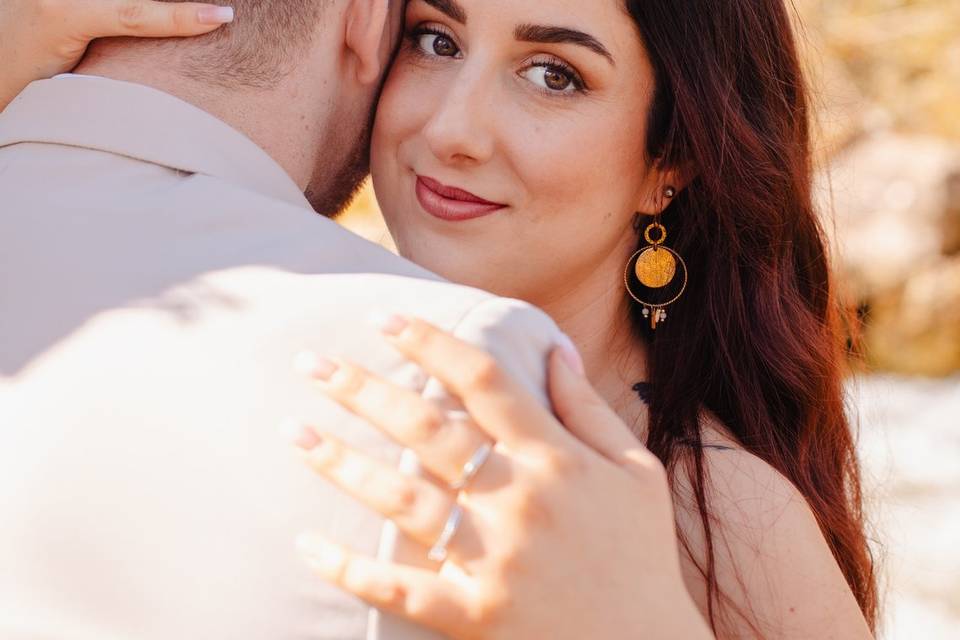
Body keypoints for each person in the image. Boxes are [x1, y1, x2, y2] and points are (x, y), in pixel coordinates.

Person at [1, 0, 880, 638]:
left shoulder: (719, 510)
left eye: (554, 75)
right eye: (436, 40)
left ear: (670, 160)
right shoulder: (328, 367)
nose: (453, 128)